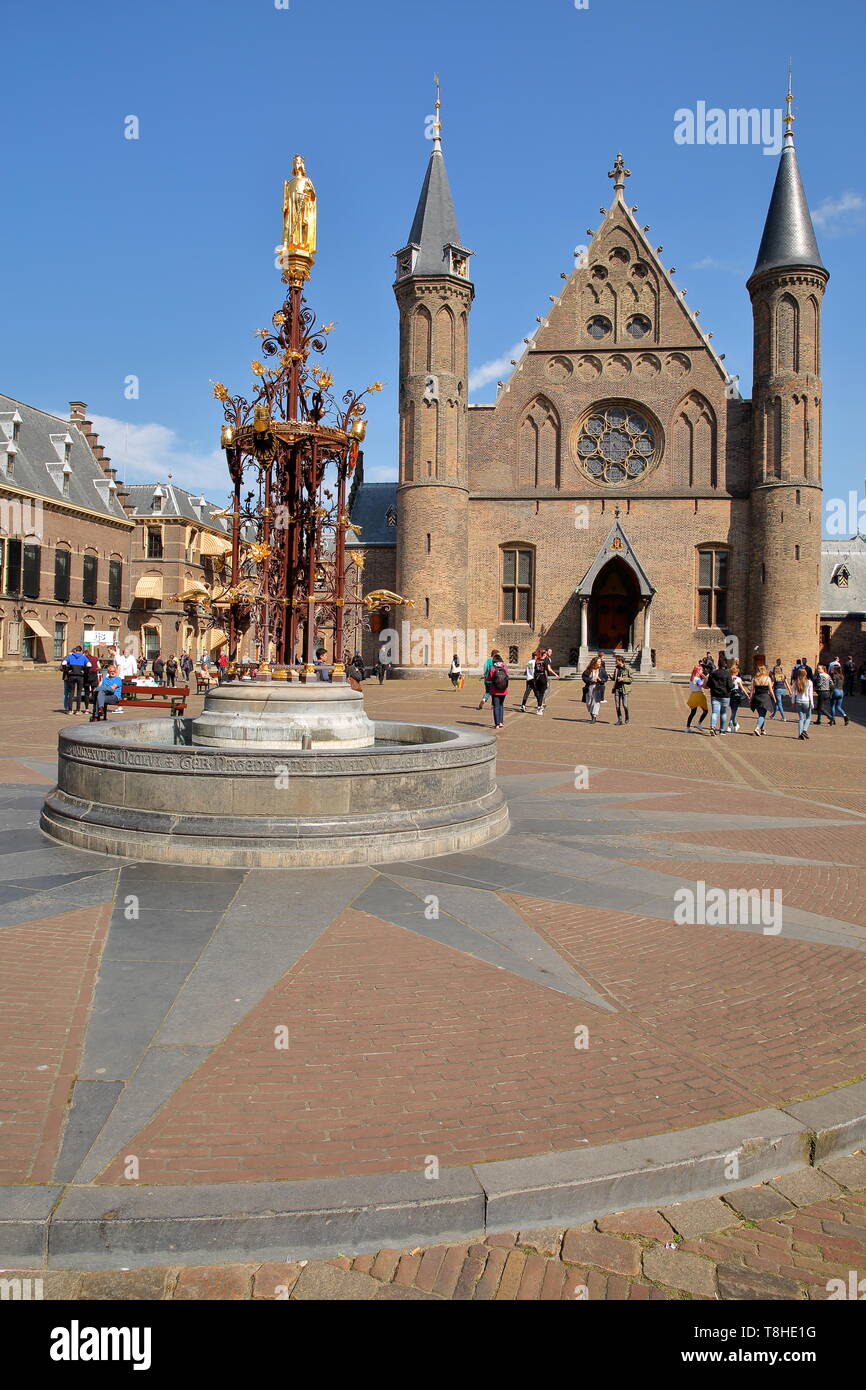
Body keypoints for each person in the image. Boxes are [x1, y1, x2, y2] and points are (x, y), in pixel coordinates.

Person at [706, 656, 734, 736]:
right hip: (725, 696)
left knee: (715, 712)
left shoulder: (713, 673)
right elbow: (730, 685)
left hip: (715, 695)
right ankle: (722, 730)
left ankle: (712, 727)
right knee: (723, 713)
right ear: (725, 664)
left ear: (718, 664)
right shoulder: (727, 673)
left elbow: (709, 684)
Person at [749, 663, 774, 736]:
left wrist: (750, 699)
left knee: (760, 714)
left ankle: (762, 729)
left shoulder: (754, 678)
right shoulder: (767, 678)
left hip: (756, 698)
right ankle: (757, 728)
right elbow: (770, 690)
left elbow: (752, 691)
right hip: (765, 698)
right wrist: (774, 698)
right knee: (762, 715)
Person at [63, 645, 89, 713]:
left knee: (71, 693)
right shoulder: (83, 657)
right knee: (79, 693)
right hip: (80, 676)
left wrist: (67, 671)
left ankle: (70, 710)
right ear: (81, 651)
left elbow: (63, 663)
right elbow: (89, 665)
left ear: (75, 650)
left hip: (71, 676)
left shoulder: (70, 656)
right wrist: (85, 672)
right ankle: (78, 710)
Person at [488, 650, 509, 730]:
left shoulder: (492, 668)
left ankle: (496, 724)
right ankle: (501, 722)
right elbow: (507, 677)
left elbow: (489, 678)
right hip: (504, 690)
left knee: (496, 706)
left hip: (495, 690)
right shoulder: (504, 667)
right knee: (501, 705)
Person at [582, 656, 606, 722]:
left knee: (596, 703)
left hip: (598, 688)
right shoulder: (589, 669)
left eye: (600, 662)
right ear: (594, 662)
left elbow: (605, 678)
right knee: (588, 703)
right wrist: (590, 680)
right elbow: (584, 677)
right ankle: (592, 715)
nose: (600, 663)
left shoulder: (602, 670)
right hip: (589, 688)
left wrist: (600, 680)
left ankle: (594, 718)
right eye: (598, 662)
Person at [791, 668, 814, 740]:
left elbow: (793, 694)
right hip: (806, 701)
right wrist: (812, 703)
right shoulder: (809, 682)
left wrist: (793, 702)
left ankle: (800, 734)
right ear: (805, 674)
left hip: (798, 701)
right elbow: (810, 694)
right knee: (808, 717)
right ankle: (804, 730)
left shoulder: (795, 682)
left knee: (801, 719)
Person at [685, 663, 709, 732]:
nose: (702, 671)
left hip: (693, 695)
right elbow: (703, 686)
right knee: (705, 711)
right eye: (701, 670)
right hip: (699, 695)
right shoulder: (697, 679)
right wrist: (705, 678)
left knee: (693, 713)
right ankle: (699, 723)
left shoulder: (692, 678)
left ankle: (687, 727)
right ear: (699, 671)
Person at [612, 655, 632, 725]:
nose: (615, 662)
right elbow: (615, 678)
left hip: (624, 689)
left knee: (625, 705)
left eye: (616, 661)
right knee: (617, 705)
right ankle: (619, 720)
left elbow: (631, 679)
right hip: (617, 689)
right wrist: (611, 677)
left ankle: (627, 716)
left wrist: (623, 679)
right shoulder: (616, 669)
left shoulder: (627, 669)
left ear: (620, 661)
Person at [728, 659, 747, 731]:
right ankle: (730, 725)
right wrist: (747, 695)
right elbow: (742, 688)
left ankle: (735, 724)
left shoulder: (729, 678)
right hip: (736, 694)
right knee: (734, 711)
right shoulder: (738, 678)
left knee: (733, 711)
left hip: (730, 694)